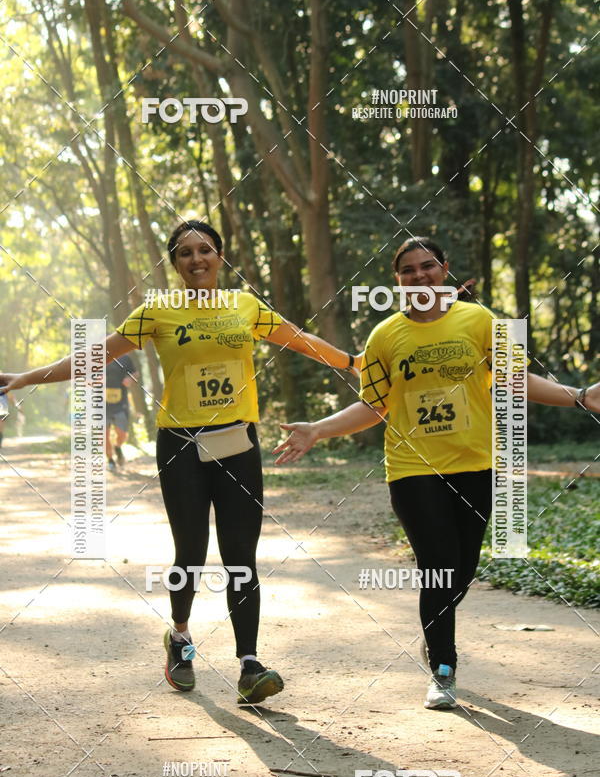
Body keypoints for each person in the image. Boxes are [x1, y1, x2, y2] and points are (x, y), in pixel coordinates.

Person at [0, 220, 360, 706]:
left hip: (238, 440)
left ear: (220, 256)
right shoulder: (157, 311)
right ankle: (180, 638)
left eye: (205, 249)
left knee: (241, 555)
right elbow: (97, 354)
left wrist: (352, 362)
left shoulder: (244, 305)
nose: (197, 259)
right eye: (185, 253)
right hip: (181, 444)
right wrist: (25, 378)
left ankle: (250, 664)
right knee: (190, 552)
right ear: (175, 262)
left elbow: (298, 339)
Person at [273, 236, 600, 710]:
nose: (420, 276)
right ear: (398, 280)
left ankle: (434, 632)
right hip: (413, 469)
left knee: (462, 569)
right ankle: (443, 667)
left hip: (478, 463)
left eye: (428, 266)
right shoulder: (385, 335)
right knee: (439, 566)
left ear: (444, 269)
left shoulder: (482, 321)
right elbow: (374, 405)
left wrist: (579, 395)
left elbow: (515, 379)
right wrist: (318, 430)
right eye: (408, 270)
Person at [105, 353, 139, 471]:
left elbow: (135, 373)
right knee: (103, 435)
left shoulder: (124, 357)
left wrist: (130, 379)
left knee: (122, 434)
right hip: (100, 403)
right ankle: (110, 460)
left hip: (121, 402)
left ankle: (118, 447)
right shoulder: (95, 358)